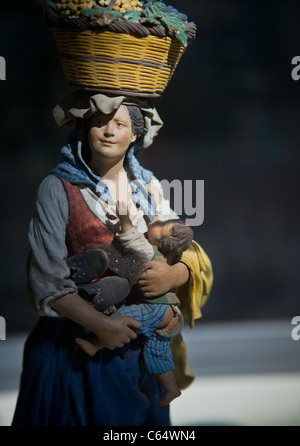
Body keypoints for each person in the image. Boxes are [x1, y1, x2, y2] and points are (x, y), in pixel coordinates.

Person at [12, 92, 213, 426]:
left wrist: (174, 275)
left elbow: (181, 243)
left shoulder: (146, 185)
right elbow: (47, 281)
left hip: (139, 345)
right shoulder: (57, 188)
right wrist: (102, 326)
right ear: (85, 129)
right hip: (78, 345)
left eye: (118, 124)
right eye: (99, 122)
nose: (107, 131)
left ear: (134, 134)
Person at [72, 199, 194, 407]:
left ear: (163, 241)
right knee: (157, 354)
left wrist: (124, 217)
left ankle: (95, 343)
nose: (154, 222)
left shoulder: (148, 251)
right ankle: (171, 389)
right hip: (167, 314)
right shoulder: (173, 255)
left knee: (123, 319)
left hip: (154, 310)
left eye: (160, 226)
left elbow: (130, 237)